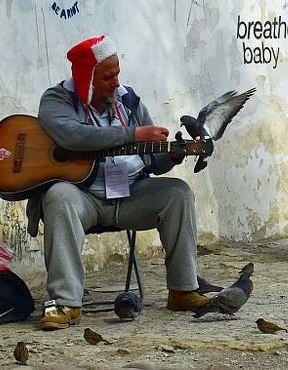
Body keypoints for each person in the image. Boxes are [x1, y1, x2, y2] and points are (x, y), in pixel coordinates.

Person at [26, 35, 208, 331]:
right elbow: (73, 136)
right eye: (108, 77)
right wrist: (133, 135)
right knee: (58, 196)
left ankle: (183, 290)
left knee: (179, 194)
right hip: (83, 196)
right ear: (86, 79)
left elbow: (152, 160)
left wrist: (174, 156)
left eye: (117, 74)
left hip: (130, 193)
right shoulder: (57, 100)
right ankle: (66, 303)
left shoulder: (129, 100)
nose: (116, 82)